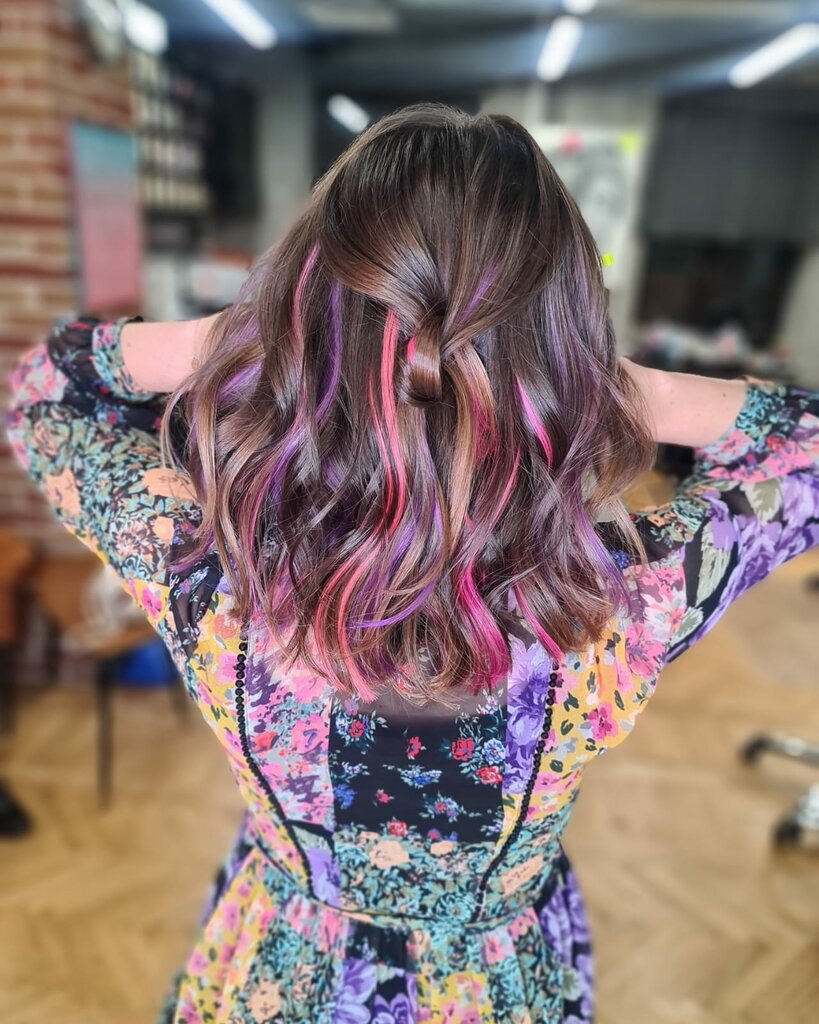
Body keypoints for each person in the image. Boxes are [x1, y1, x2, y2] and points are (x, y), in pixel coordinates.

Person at [6, 105, 819, 1024]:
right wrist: (616, 384)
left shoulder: (207, 565)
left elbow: (43, 397)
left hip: (277, 974)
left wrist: (235, 339)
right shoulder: (621, 594)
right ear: (562, 339)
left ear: (305, 314)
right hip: (495, 990)